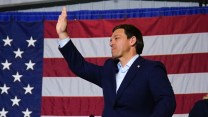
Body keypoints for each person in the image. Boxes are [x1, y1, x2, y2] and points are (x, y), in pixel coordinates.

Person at [56, 7, 176, 117]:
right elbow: (80, 66)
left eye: (116, 38)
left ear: (132, 40)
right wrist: (63, 34)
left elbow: (167, 101)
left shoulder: (151, 69)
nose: (111, 43)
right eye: (110, 40)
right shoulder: (109, 69)